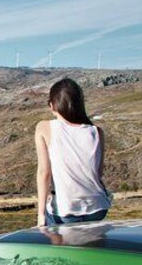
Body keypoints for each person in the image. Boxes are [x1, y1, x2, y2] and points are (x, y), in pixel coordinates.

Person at [35, 78, 111, 227]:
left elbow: (44, 173)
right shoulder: (96, 132)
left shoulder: (44, 128)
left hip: (66, 209)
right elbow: (98, 172)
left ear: (52, 105)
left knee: (58, 248)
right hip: (98, 207)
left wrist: (41, 214)